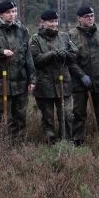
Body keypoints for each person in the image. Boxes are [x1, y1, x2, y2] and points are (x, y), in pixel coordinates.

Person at [0, 0, 36, 141]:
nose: (12, 15)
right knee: (0, 117)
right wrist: (0, 52)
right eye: (8, 12)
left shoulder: (23, 31)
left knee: (20, 116)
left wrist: (32, 79)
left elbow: (28, 57)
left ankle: (18, 145)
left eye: (14, 11)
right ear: (1, 14)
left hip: (20, 82)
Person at [30, 10, 78, 144]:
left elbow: (75, 54)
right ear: (42, 22)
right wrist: (51, 54)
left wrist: (66, 54)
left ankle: (66, 142)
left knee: (67, 115)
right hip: (45, 85)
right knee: (48, 118)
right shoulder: (35, 39)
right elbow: (35, 60)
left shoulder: (64, 36)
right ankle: (50, 142)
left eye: (56, 21)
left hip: (64, 83)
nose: (54, 24)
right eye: (51, 21)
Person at [68, 5, 99, 140]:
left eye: (92, 16)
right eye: (87, 16)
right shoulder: (72, 35)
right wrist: (81, 75)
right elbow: (70, 60)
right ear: (79, 18)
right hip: (79, 82)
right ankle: (77, 141)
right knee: (78, 113)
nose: (90, 18)